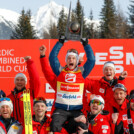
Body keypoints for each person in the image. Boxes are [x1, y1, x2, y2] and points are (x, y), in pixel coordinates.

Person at [39, 37, 95, 133]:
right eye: (69, 58)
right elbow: (52, 58)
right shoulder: (60, 72)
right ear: (66, 60)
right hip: (61, 109)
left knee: (83, 127)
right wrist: (60, 42)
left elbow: (92, 60)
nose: (71, 60)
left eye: (73, 58)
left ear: (77, 61)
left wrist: (86, 44)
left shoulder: (81, 73)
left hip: (77, 110)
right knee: (54, 126)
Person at [8, 56, 41, 124]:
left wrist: (30, 63)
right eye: (17, 80)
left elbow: (35, 80)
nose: (19, 82)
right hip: (13, 128)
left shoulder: (30, 93)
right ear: (14, 82)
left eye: (22, 80)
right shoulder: (9, 98)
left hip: (27, 128)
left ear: (25, 82)